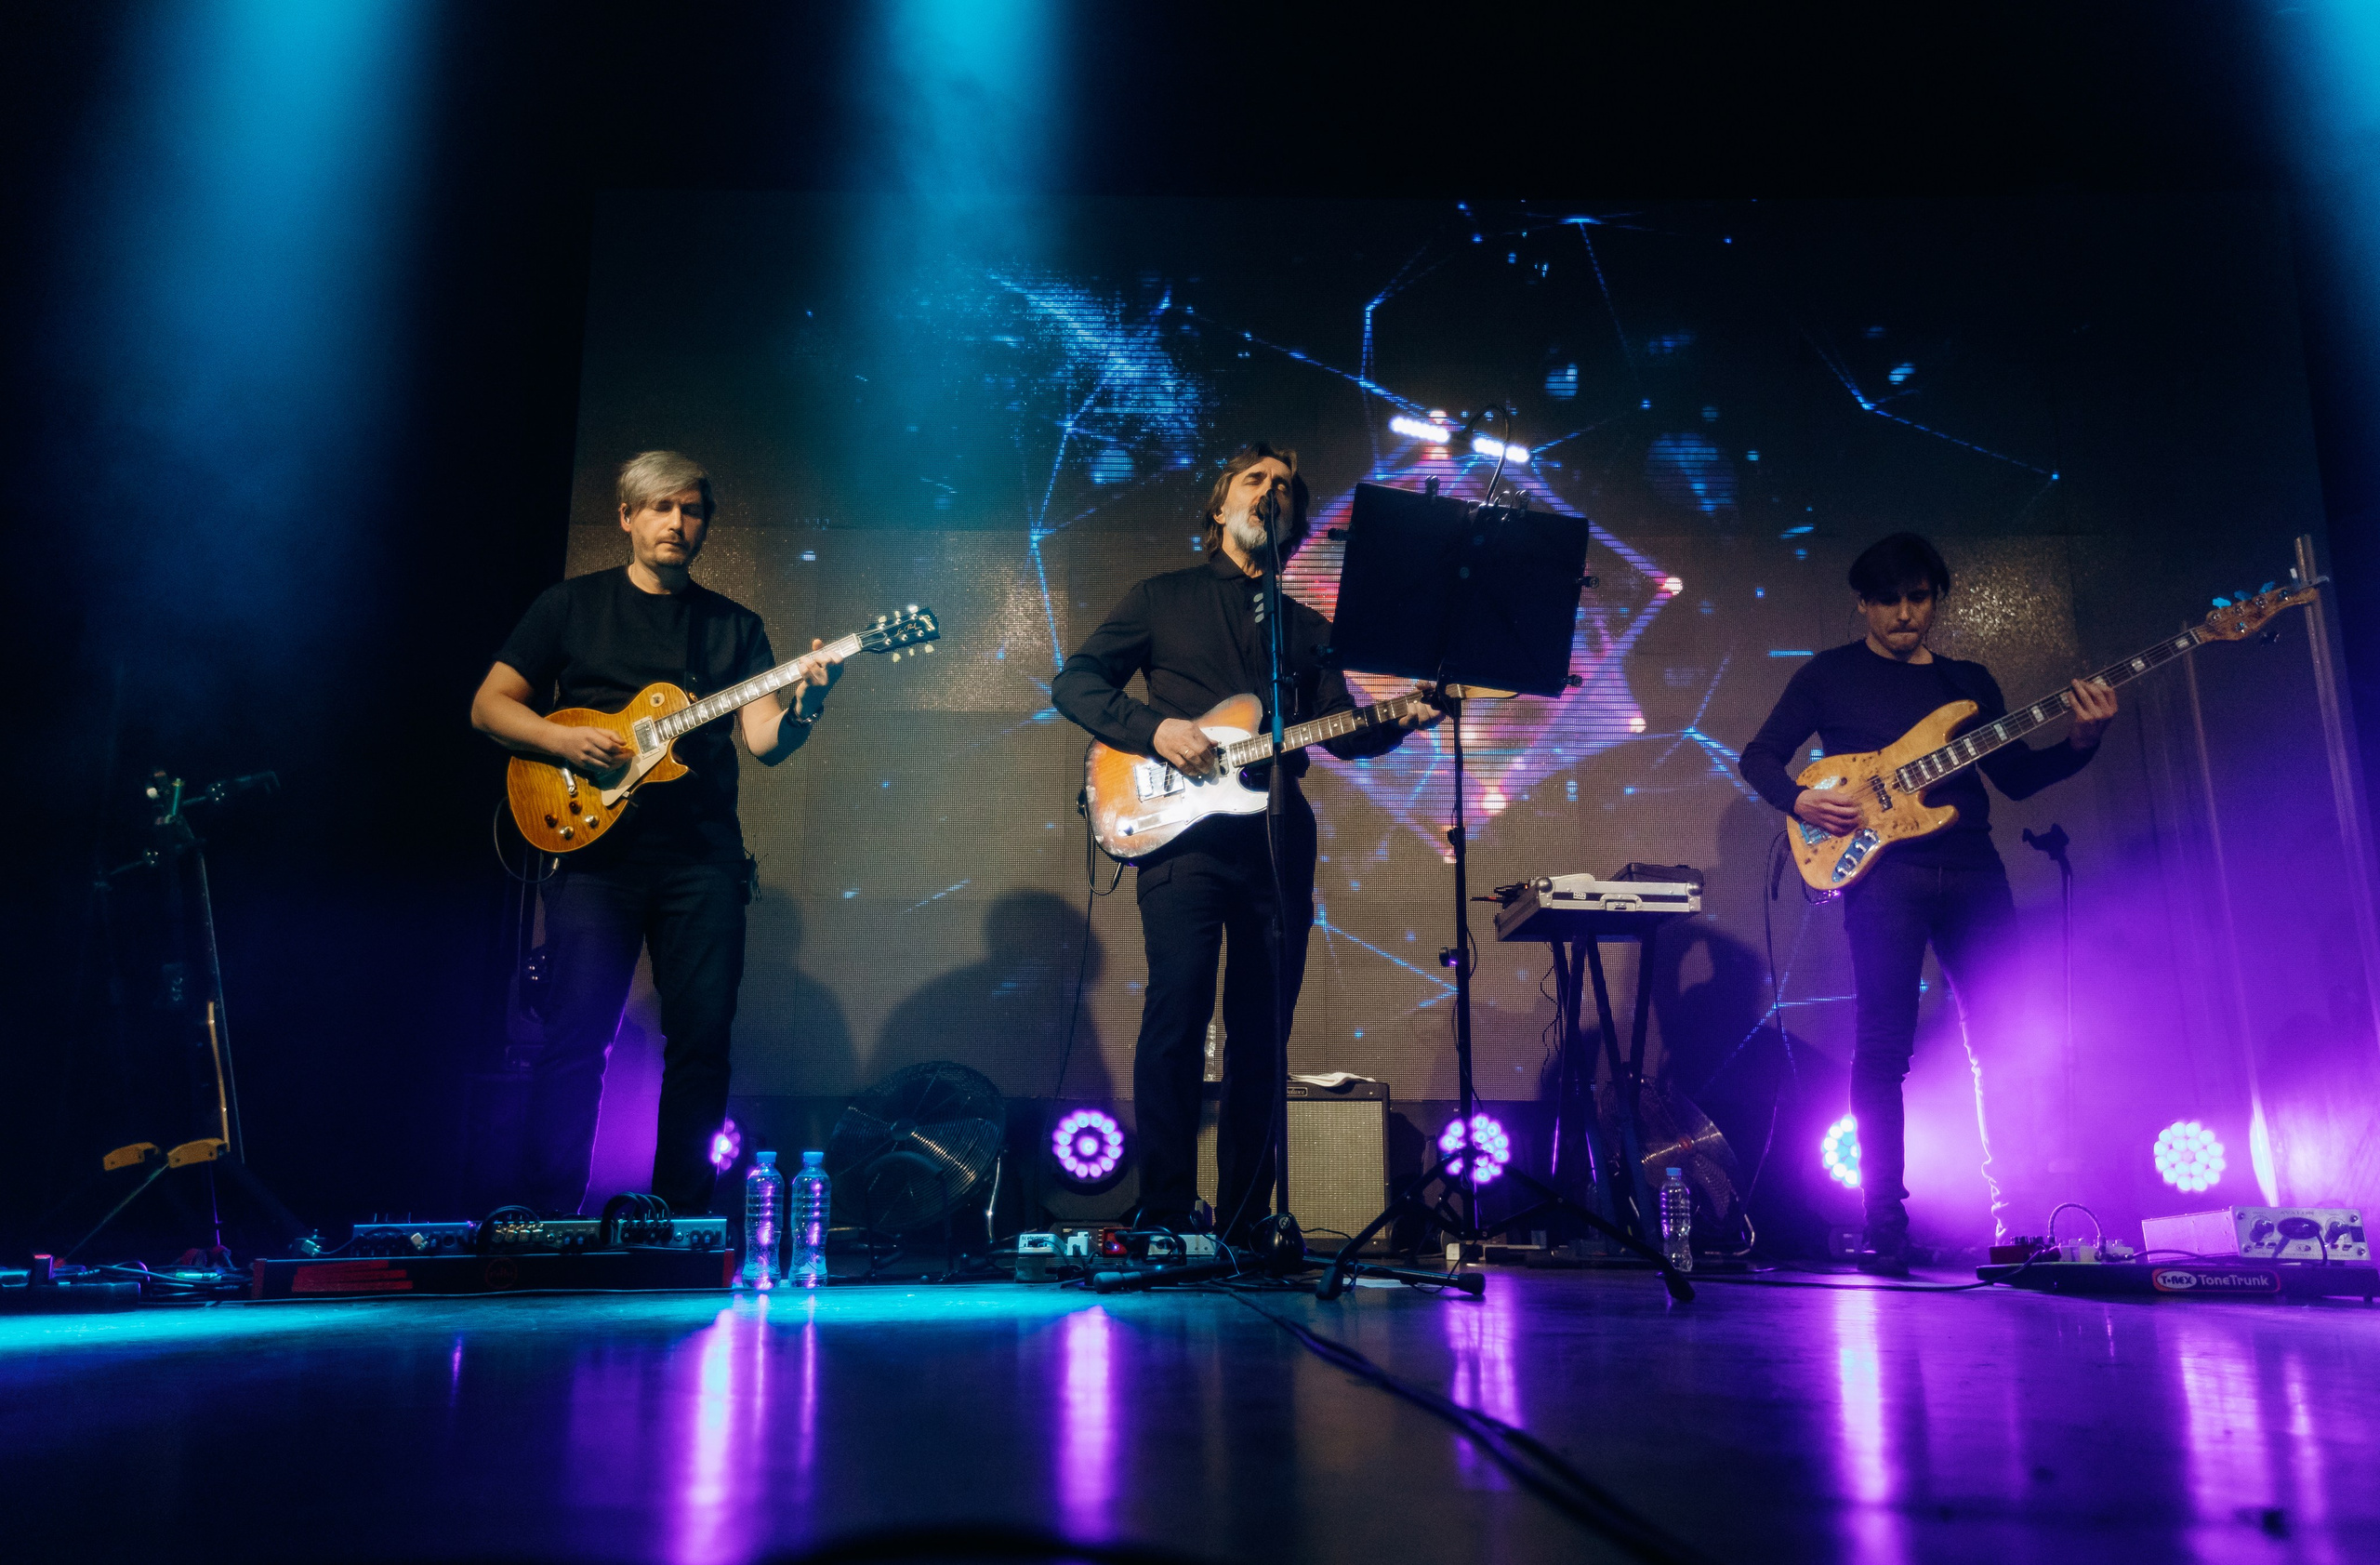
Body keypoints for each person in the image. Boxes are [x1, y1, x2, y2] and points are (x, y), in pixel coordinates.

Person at [1052, 444, 1442, 1241]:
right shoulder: (1162, 598)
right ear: (1220, 503)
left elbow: (1345, 734)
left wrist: (1400, 720)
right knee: (1178, 1012)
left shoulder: (1304, 628)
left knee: (1262, 1032)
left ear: (1295, 520)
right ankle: (1164, 1212)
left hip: (1276, 838)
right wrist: (1154, 729)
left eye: (1287, 489)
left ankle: (1242, 1222)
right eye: (1256, 479)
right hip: (1180, 839)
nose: (1272, 493)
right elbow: (1076, 681)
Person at [470, 451, 841, 1215]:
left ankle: (683, 1220)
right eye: (662, 507)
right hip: (592, 856)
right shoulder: (570, 606)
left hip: (702, 859)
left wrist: (808, 702)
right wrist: (562, 741)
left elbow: (766, 742)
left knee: (702, 1044)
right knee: (575, 1039)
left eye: (693, 510)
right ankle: (546, 1217)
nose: (678, 522)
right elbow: (490, 706)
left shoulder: (736, 627)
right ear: (628, 516)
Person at [1739, 533, 2116, 1275]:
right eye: (1890, 600)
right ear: (1864, 603)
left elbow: (2015, 780)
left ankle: (2016, 1221)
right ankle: (1886, 1227)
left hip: (1973, 866)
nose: (1906, 613)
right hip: (1885, 875)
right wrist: (1802, 800)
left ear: (1936, 598)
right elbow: (1758, 756)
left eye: (1919, 597)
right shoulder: (1828, 676)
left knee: (2004, 1041)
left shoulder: (1968, 680)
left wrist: (2082, 741)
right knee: (1885, 1048)